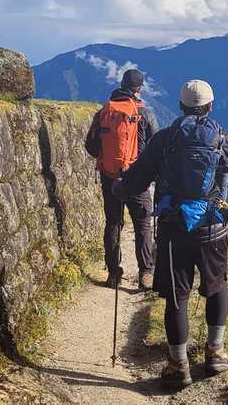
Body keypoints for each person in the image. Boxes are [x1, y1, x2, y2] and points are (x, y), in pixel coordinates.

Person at [112, 79, 228, 388]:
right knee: (217, 287)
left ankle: (177, 365)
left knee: (176, 298)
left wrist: (118, 187)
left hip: (174, 230)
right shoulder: (225, 139)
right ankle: (215, 353)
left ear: (181, 106)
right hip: (214, 231)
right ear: (210, 107)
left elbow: (135, 181)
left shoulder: (164, 140)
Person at [85, 69, 157, 291]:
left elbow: (91, 146)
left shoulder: (104, 111)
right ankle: (145, 273)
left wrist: (107, 161)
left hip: (109, 177)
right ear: (139, 89)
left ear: (122, 84)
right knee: (143, 224)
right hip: (137, 178)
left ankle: (113, 274)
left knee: (113, 223)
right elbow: (156, 146)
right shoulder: (145, 113)